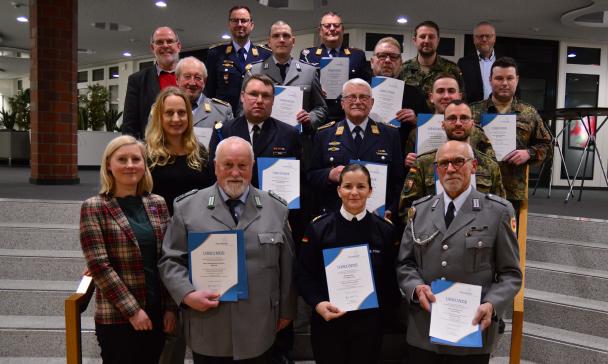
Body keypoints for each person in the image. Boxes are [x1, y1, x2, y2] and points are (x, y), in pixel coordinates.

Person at [158, 136, 297, 363]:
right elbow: (170, 260)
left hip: (259, 326)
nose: (235, 173)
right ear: (215, 167)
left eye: (242, 165)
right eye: (228, 165)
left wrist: (287, 312)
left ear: (252, 167)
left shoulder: (276, 208)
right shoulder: (187, 208)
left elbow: (287, 267)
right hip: (209, 325)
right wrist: (187, 295)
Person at [396, 140, 522, 363]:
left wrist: (491, 304)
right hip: (424, 332)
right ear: (437, 170)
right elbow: (405, 264)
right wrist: (415, 288)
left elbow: (511, 274)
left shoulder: (498, 211)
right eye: (443, 163)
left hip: (471, 334)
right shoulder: (420, 210)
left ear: (473, 166)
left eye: (458, 161)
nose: (451, 169)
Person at [80, 135, 176, 363]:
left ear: (144, 165)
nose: (130, 165)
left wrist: (171, 307)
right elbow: (99, 265)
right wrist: (133, 311)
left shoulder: (158, 204)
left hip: (157, 312)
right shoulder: (94, 207)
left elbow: (169, 258)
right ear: (108, 166)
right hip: (117, 317)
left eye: (136, 159)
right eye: (122, 159)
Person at [296, 163, 400, 364]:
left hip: (369, 325)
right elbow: (304, 274)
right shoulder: (318, 229)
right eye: (348, 186)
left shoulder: (385, 231)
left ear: (370, 191)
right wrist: (318, 304)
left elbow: (390, 279)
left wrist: (382, 315)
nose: (354, 192)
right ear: (338, 190)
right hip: (328, 322)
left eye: (361, 187)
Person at [307, 78, 403, 221]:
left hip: (376, 218)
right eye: (351, 97)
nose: (357, 101)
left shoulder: (390, 134)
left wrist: (391, 209)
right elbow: (310, 176)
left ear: (372, 103)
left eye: (363, 97)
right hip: (335, 217)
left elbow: (398, 180)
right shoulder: (324, 134)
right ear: (342, 103)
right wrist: (329, 174)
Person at [470, 57, 552, 214]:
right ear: (490, 80)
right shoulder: (472, 111)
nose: (504, 83)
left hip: (511, 193)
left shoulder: (529, 113)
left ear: (517, 79)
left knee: (508, 238)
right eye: (499, 78)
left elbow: (548, 146)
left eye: (509, 78)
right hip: (478, 190)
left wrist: (529, 153)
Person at [399, 100, 506, 216]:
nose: (458, 123)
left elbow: (500, 208)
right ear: (442, 124)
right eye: (452, 118)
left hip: (479, 231)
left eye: (464, 118)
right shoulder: (423, 163)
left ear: (472, 124)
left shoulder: (490, 166)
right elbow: (406, 209)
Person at [209, 74, 301, 188]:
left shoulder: (289, 134)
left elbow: (297, 179)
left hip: (272, 202)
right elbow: (213, 174)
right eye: (253, 94)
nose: (259, 101)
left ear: (273, 100)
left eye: (266, 96)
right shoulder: (223, 131)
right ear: (242, 97)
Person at [246, 20, 328, 132]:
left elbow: (321, 108)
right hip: (263, 137)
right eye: (276, 36)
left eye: (286, 36)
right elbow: (242, 109)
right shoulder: (253, 72)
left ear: (293, 41)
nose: (281, 40)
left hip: (299, 141)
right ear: (269, 42)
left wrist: (310, 118)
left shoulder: (309, 71)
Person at [404, 74, 496, 163]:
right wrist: (409, 162)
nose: (446, 96)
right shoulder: (416, 133)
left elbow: (491, 167)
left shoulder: (476, 132)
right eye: (440, 91)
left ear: (459, 96)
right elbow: (410, 173)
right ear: (431, 97)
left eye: (451, 91)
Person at [299, 11, 372, 122]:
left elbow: (367, 86)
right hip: (316, 117)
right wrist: (317, 89)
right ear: (320, 31)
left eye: (336, 25)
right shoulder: (308, 55)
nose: (332, 29)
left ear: (342, 30)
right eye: (327, 26)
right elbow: (301, 87)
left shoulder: (357, 55)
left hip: (348, 117)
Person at [369, 36, 430, 159]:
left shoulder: (415, 94)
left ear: (401, 63)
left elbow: (430, 131)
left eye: (393, 57)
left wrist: (415, 120)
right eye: (382, 55)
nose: (387, 60)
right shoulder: (358, 89)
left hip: (401, 161)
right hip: (365, 159)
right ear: (372, 61)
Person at [204, 5, 272, 112]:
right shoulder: (215, 54)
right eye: (235, 20)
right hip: (224, 119)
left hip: (255, 116)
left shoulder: (266, 54)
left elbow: (270, 90)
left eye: (244, 20)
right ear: (229, 24)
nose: (239, 24)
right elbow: (209, 91)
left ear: (251, 25)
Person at [122, 27, 181, 139]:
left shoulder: (192, 78)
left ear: (178, 46)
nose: (165, 45)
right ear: (152, 48)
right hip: (152, 151)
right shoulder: (137, 80)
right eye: (159, 42)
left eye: (169, 41)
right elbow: (129, 125)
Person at [400, 21, 464, 98]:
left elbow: (461, 100)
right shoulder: (403, 69)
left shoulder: (452, 69)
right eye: (422, 36)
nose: (426, 41)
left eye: (431, 37)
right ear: (415, 40)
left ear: (438, 40)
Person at [176, 57, 234, 132]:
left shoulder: (222, 111)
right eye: (187, 77)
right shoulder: (161, 109)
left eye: (197, 78)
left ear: (205, 81)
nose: (192, 83)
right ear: (177, 79)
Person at [457, 21, 498, 103]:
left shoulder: (506, 62)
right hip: (472, 112)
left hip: (501, 113)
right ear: (474, 39)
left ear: (494, 38)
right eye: (480, 36)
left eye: (488, 36)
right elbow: (459, 91)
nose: (484, 39)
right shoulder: (463, 63)